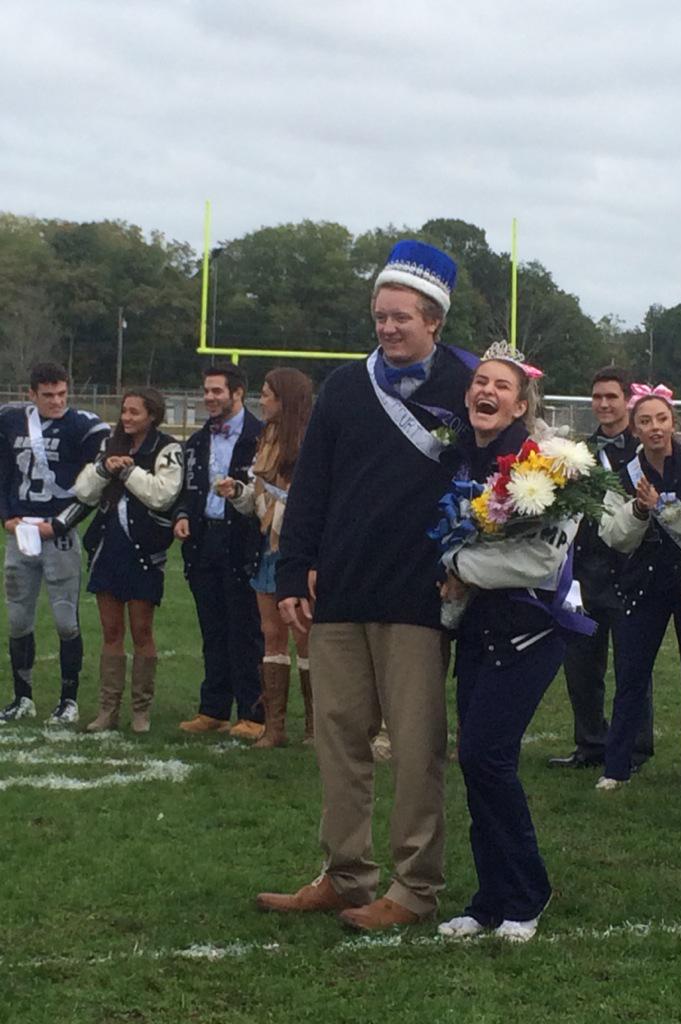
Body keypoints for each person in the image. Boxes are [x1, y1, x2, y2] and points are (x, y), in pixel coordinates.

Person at [256, 240, 476, 931]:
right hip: (340, 593)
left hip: (419, 595)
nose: (386, 328)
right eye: (379, 316)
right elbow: (312, 486)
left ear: (434, 319)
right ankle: (347, 874)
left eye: (401, 317)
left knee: (415, 751)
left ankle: (414, 887)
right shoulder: (348, 387)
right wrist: (294, 568)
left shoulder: (468, 386)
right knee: (340, 739)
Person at [435, 347, 594, 943]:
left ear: (521, 404)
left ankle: (526, 893)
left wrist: (456, 561)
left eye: (501, 385)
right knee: (477, 764)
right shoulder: (456, 457)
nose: (487, 391)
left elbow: (539, 558)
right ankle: (488, 897)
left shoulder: (553, 466)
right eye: (480, 381)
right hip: (478, 631)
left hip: (530, 629)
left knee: (487, 757)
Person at [596, 385, 681, 790]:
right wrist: (637, 509)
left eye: (662, 420)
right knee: (631, 676)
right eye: (646, 421)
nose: (655, 428)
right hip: (640, 584)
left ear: (674, 423)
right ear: (634, 428)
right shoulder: (622, 475)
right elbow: (614, 537)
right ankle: (616, 766)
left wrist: (668, 511)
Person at [548, 367, 654, 770]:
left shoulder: (645, 447)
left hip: (630, 570)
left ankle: (635, 748)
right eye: (597, 397)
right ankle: (590, 743)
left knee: (633, 665)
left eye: (611, 396)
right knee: (581, 665)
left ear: (627, 399)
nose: (604, 404)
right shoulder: (580, 452)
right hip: (584, 572)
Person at [0, 362, 109, 725]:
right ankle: (23, 697)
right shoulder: (11, 420)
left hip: (57, 532)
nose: (56, 401)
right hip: (21, 532)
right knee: (18, 619)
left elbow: (98, 479)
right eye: (48, 395)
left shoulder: (82, 425)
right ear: (31, 394)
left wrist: (61, 524)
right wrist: (6, 517)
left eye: (62, 393)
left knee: (66, 620)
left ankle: (69, 700)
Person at [73, 388, 183, 732]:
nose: (127, 417)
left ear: (152, 415)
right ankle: (107, 710)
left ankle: (140, 711)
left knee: (142, 630)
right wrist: (106, 468)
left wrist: (128, 472)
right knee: (110, 631)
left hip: (143, 550)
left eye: (135, 412)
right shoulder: (110, 444)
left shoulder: (167, 447)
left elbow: (162, 496)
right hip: (109, 548)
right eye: (124, 411)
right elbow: (83, 491)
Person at [218, 368, 314, 746]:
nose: (262, 400)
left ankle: (313, 727)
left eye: (267, 394)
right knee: (271, 635)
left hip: (299, 550)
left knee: (305, 637)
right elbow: (261, 503)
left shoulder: (311, 441)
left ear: (286, 399)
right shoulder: (265, 438)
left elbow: (309, 503)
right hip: (268, 546)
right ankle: (274, 728)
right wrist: (239, 492)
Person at [173, 362, 265, 736]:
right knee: (212, 628)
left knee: (244, 629)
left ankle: (254, 713)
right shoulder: (196, 441)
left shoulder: (261, 437)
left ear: (237, 393)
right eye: (206, 391)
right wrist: (182, 514)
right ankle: (213, 709)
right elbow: (185, 488)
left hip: (242, 539)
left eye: (217, 391)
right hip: (203, 540)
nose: (209, 398)